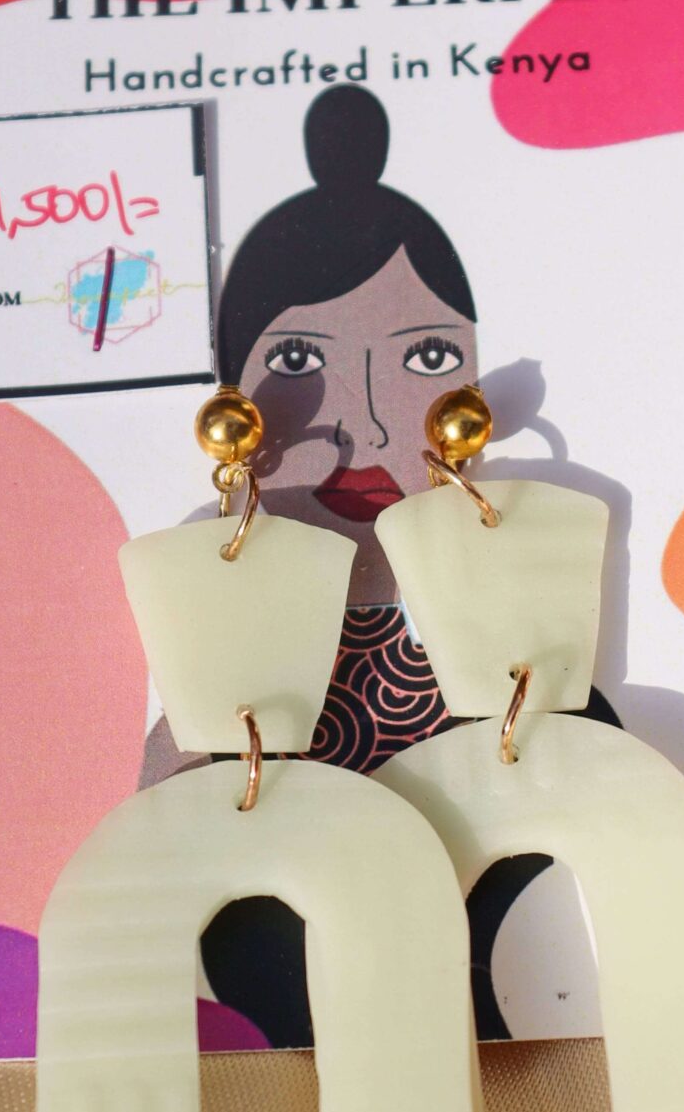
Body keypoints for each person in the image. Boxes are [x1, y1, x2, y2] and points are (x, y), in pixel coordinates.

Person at [144, 84, 611, 1045]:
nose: (357, 418)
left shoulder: (545, 685)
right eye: (297, 361)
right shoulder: (207, 712)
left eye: (427, 356)